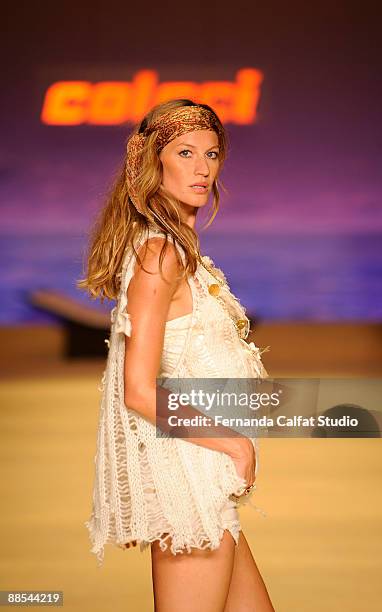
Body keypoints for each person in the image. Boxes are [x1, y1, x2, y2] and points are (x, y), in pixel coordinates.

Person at [78, 99, 275, 611]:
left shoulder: (178, 250)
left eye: (211, 154)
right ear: (152, 162)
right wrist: (233, 443)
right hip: (190, 481)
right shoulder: (159, 255)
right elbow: (139, 388)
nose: (202, 168)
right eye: (184, 153)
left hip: (206, 483)